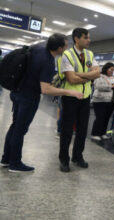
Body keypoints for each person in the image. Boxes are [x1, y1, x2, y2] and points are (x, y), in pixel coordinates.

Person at [0, 34, 83, 172]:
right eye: (66, 45)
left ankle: (6, 159)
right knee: (20, 130)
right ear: (59, 48)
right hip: (28, 97)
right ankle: (15, 163)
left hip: (17, 92)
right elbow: (46, 89)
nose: (67, 48)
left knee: (15, 127)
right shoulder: (48, 62)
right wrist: (70, 92)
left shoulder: (37, 48)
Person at [59, 28, 100, 172]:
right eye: (86, 37)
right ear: (76, 39)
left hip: (85, 97)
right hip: (70, 97)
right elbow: (71, 78)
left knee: (82, 129)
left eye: (89, 37)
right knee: (67, 130)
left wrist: (79, 75)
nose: (89, 40)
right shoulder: (67, 55)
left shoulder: (90, 54)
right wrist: (88, 75)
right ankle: (64, 159)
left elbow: (97, 73)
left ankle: (78, 156)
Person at [90, 62, 114, 141]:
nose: (112, 71)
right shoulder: (99, 76)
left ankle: (102, 133)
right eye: (111, 69)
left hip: (110, 101)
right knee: (100, 117)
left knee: (106, 118)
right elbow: (99, 86)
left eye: (113, 70)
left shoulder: (113, 78)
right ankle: (94, 134)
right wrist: (112, 86)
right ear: (106, 69)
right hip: (99, 100)